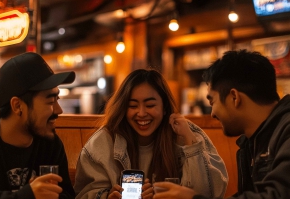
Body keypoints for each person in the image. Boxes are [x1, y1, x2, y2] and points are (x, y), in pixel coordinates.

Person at [153, 49, 290, 199]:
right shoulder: (250, 144)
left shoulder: (286, 131)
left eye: (212, 101)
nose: (212, 114)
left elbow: (278, 195)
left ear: (234, 97)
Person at [74, 69, 228, 199]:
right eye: (132, 106)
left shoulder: (187, 134)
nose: (141, 113)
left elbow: (210, 194)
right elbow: (83, 193)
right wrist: (107, 196)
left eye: (150, 105)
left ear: (164, 107)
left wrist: (190, 142)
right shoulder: (103, 142)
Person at [0, 52, 76, 199]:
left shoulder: (50, 144)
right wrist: (28, 195)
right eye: (50, 102)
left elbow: (66, 195)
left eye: (57, 99)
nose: (59, 110)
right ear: (17, 106)